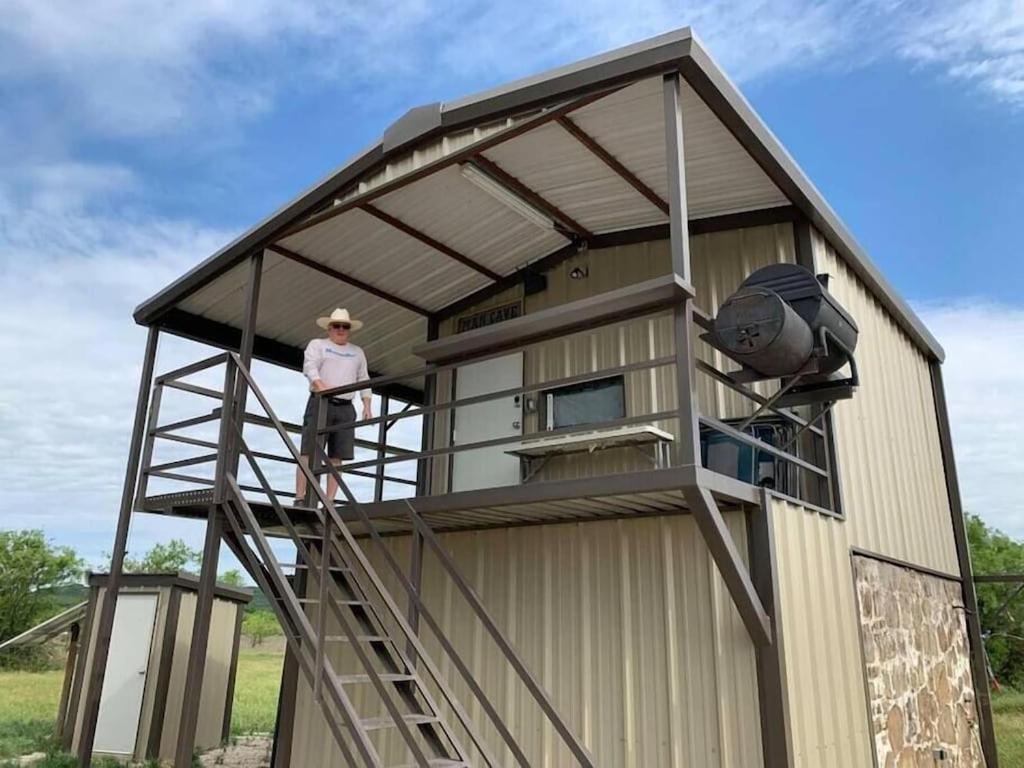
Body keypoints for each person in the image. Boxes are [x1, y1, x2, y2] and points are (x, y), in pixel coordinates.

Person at [296, 308, 372, 505]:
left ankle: (329, 500)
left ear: (349, 329)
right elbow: (310, 368)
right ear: (329, 328)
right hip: (321, 402)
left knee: (337, 456)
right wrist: (322, 388)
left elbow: (364, 378)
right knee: (309, 451)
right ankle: (301, 496)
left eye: (344, 326)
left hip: (346, 406)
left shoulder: (357, 352)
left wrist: (367, 405)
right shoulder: (318, 345)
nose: (340, 329)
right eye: (337, 326)